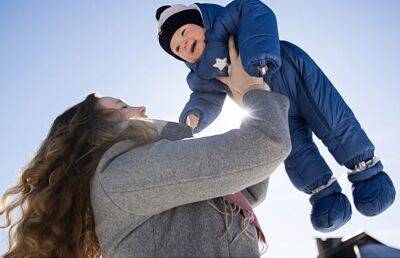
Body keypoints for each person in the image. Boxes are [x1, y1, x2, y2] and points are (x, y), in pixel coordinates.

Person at [1, 37, 291, 257]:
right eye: (123, 107)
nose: (142, 107)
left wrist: (246, 101)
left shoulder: (139, 168)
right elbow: (265, 146)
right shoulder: (121, 174)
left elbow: (248, 187)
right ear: (98, 131)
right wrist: (255, 92)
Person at [155, 0, 396, 232]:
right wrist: (193, 117)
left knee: (331, 119)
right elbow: (203, 98)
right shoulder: (203, 76)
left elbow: (255, 10)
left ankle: (367, 173)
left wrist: (258, 54)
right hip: (267, 104)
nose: (184, 44)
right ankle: (324, 195)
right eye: (177, 48)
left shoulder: (225, 22)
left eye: (185, 32)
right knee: (292, 148)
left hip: (293, 74)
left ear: (201, 21)